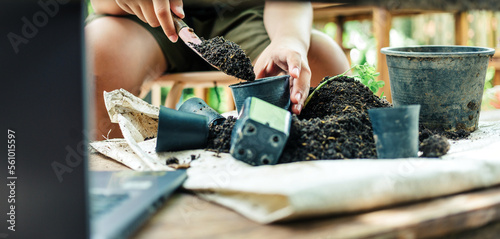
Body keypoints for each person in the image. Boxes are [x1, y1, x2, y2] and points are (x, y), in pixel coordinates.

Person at [86, 0, 350, 140]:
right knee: (94, 54)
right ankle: (114, 180)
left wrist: (289, 40)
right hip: (145, 18)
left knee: (323, 63)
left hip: (250, 16)